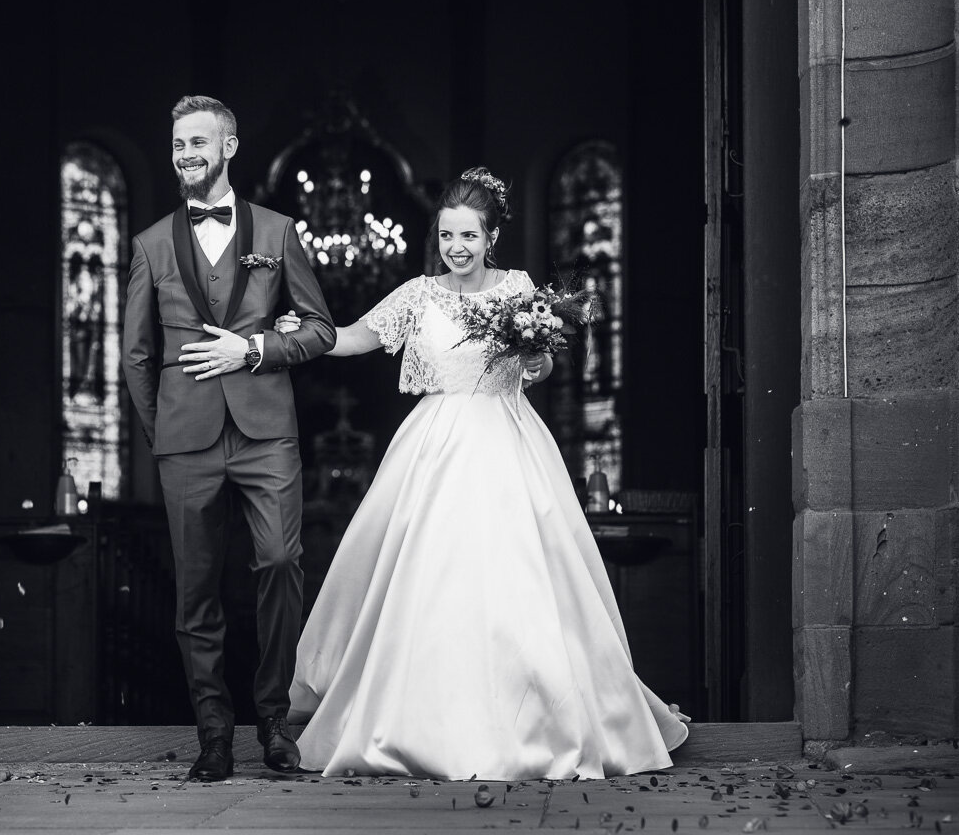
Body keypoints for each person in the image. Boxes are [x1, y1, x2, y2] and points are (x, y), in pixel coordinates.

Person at [279, 168, 689, 781]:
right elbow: (363, 335)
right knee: (429, 574)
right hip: (436, 445)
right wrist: (307, 338)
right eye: (447, 236)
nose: (457, 248)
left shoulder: (519, 288)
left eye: (468, 235)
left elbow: (542, 366)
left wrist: (535, 353)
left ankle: (537, 723)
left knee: (521, 575)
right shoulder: (419, 294)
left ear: (491, 236)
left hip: (506, 438)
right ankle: (423, 721)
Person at [122, 95, 335, 781]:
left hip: (266, 432)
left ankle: (273, 719)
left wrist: (255, 351)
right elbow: (135, 356)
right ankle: (213, 733)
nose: (186, 154)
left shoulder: (277, 232)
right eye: (178, 143)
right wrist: (166, 436)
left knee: (278, 560)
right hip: (185, 442)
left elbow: (321, 329)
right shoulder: (149, 244)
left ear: (230, 146)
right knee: (196, 591)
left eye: (198, 142)